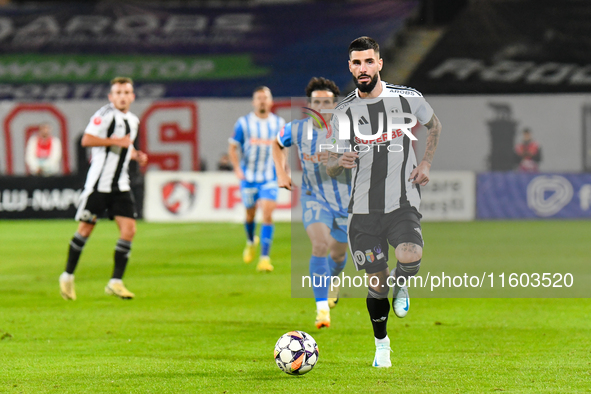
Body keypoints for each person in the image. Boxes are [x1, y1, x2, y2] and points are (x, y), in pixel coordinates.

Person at [326, 37, 442, 367]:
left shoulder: (408, 99)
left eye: (368, 61)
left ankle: (402, 286)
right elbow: (331, 166)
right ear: (350, 67)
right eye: (356, 63)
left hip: (402, 201)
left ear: (379, 63)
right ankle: (382, 344)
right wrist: (339, 162)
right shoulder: (343, 112)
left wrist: (426, 163)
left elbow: (435, 126)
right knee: (376, 283)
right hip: (362, 211)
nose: (362, 69)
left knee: (411, 254)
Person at [59, 77, 148, 301]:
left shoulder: (133, 121)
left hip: (120, 185)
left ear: (132, 96)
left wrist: (135, 154)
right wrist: (114, 142)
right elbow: (87, 140)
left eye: (126, 92)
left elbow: (126, 145)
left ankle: (115, 282)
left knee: (129, 230)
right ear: (111, 96)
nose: (122, 96)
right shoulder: (104, 115)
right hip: (99, 185)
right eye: (117, 92)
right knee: (85, 230)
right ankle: (67, 276)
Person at [273, 77, 350, 329]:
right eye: (317, 102)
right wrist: (281, 172)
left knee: (338, 254)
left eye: (327, 102)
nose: (322, 106)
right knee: (319, 245)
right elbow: (277, 143)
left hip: (344, 201)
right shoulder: (297, 128)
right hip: (313, 197)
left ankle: (334, 278)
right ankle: (321, 311)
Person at [228, 86, 286, 272]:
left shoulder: (278, 123)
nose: (262, 101)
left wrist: (283, 170)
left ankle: (264, 258)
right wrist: (237, 169)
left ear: (271, 101)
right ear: (254, 102)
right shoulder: (244, 123)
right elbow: (232, 147)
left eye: (265, 97)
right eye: (259, 98)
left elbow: (282, 148)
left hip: (269, 177)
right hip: (249, 177)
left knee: (268, 214)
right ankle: (251, 240)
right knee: (250, 214)